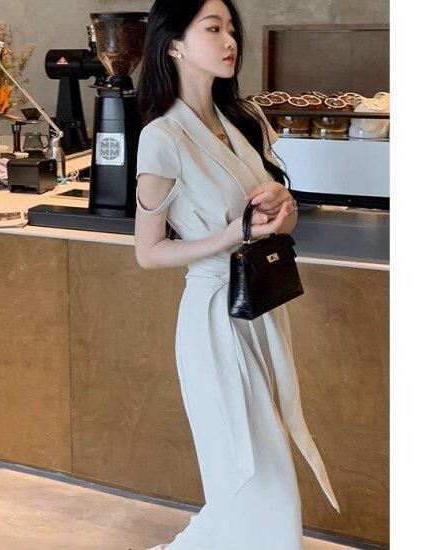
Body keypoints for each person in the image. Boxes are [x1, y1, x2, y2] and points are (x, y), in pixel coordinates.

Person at [133, 1, 340, 548]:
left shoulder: (246, 120)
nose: (230, 41)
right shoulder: (162, 136)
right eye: (213, 28)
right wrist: (229, 236)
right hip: (213, 319)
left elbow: (283, 220)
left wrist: (281, 203)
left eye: (231, 29)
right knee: (255, 473)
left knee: (258, 467)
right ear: (173, 44)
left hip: (261, 307)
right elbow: (147, 252)